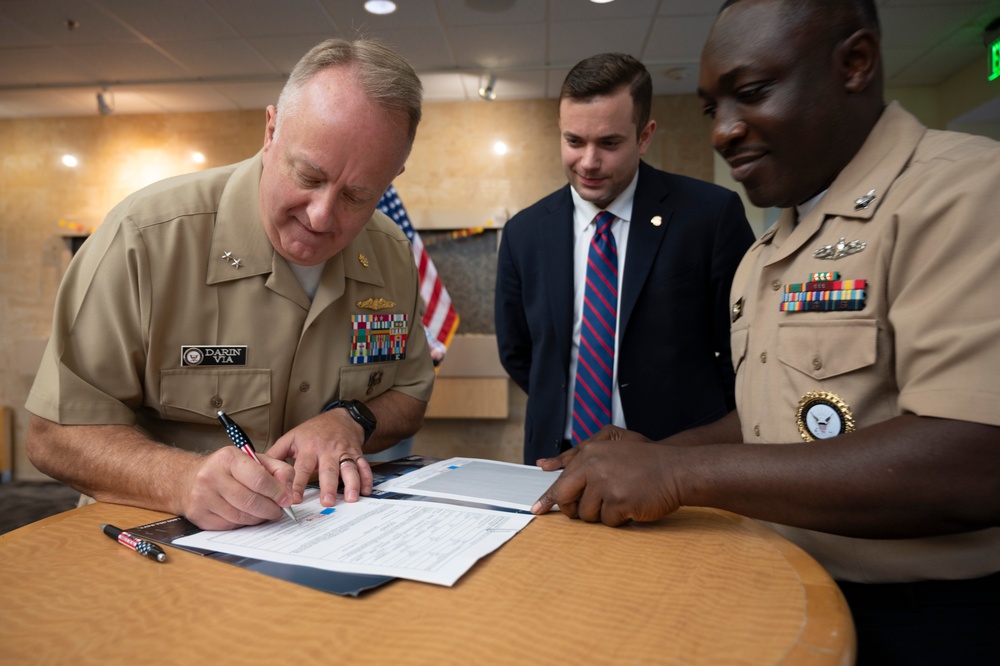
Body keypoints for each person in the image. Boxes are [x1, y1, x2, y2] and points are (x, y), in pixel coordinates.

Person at [532, 1, 1000, 662]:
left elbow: (976, 457)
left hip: (924, 617)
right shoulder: (770, 250)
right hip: (771, 576)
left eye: (751, 94)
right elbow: (767, 417)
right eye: (711, 108)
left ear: (855, 64)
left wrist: (681, 472)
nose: (723, 133)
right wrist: (653, 450)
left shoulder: (961, 192)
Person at [25, 38, 435, 531]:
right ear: (270, 131)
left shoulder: (390, 253)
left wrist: (350, 418)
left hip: (321, 539)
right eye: (308, 175)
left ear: (393, 179)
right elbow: (53, 434)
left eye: (356, 195)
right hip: (159, 543)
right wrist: (180, 478)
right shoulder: (145, 238)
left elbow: (409, 395)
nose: (322, 216)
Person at [495, 53, 755, 465]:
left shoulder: (709, 216)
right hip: (555, 459)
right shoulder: (524, 233)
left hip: (674, 459)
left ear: (645, 135)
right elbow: (518, 351)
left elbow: (742, 351)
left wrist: (696, 436)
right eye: (574, 141)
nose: (588, 162)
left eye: (609, 143)